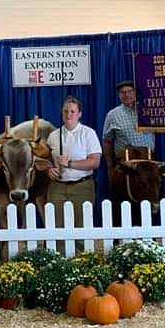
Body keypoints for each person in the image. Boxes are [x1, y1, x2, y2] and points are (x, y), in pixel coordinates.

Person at [47, 95, 102, 229]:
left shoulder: (88, 133)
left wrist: (70, 164)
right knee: (55, 225)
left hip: (82, 186)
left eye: (72, 112)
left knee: (81, 226)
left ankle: (82, 251)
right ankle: (56, 250)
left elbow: (95, 162)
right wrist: (49, 169)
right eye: (65, 111)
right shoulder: (53, 135)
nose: (68, 115)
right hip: (57, 187)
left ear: (79, 114)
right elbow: (47, 159)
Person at [102, 80, 155, 172]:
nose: (126, 95)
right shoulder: (112, 115)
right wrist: (110, 165)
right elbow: (107, 141)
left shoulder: (148, 110)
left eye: (130, 91)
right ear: (119, 95)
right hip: (125, 163)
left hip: (148, 160)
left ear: (135, 93)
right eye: (123, 92)